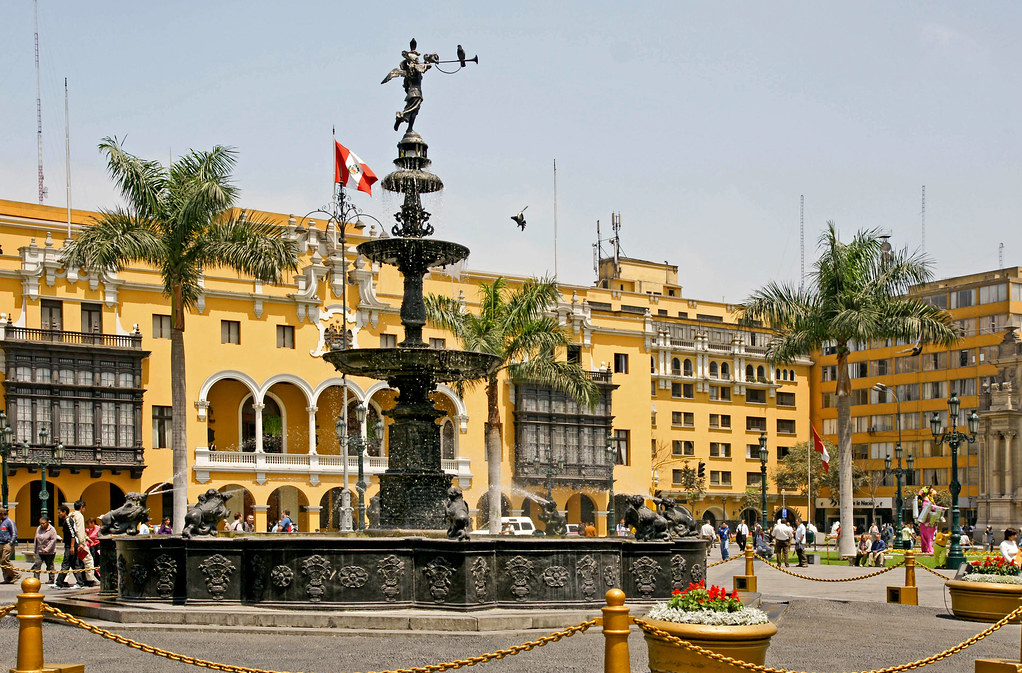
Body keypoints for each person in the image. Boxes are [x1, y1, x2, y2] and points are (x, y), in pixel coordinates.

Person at [69, 500, 97, 586]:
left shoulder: (71, 515)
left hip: (72, 541)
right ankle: (90, 579)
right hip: (79, 542)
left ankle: (64, 579)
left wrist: (87, 538)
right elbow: (80, 530)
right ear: (81, 507)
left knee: (71, 561)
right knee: (88, 560)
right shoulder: (79, 516)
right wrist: (82, 542)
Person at [53, 505, 79, 589]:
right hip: (69, 544)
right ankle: (80, 582)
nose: (58, 514)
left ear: (64, 512)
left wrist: (72, 546)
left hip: (70, 546)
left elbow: (73, 534)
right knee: (74, 564)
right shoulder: (66, 521)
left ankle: (59, 583)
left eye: (59, 512)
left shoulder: (68, 521)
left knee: (66, 563)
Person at [31, 516, 57, 584]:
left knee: (50, 566)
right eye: (40, 523)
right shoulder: (39, 528)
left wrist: (47, 549)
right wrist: (35, 549)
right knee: (37, 565)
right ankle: (36, 580)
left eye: (43, 523)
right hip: (39, 551)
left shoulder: (52, 530)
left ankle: (51, 580)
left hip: (49, 552)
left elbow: (53, 541)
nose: (42, 525)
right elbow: (36, 539)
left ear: (47, 523)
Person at [0, 507, 20, 584]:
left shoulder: (9, 522)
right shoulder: (1, 523)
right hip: (0, 543)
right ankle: (7, 578)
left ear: (2, 514)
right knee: (1, 562)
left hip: (7, 543)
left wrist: (10, 543)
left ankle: (15, 574)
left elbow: (14, 534)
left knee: (4, 560)